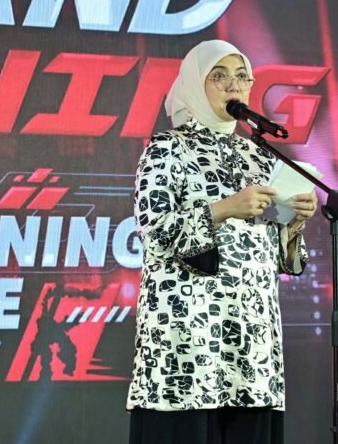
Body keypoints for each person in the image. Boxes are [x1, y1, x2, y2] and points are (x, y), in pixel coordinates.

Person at [126, 40, 318, 444]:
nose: (234, 84)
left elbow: (272, 253)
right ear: (196, 83)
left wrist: (294, 225)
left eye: (242, 77)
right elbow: (154, 230)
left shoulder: (259, 154)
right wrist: (225, 208)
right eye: (220, 76)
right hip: (187, 340)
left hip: (251, 338)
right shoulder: (167, 148)